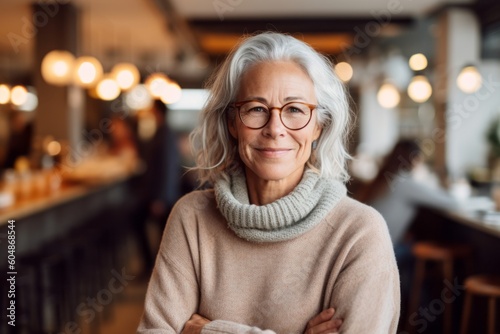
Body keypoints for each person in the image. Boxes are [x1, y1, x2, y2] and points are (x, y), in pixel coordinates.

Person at [137, 32, 400, 334]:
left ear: (319, 126)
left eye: (295, 110)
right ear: (232, 123)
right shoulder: (191, 217)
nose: (275, 129)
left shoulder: (359, 232)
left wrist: (206, 330)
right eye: (256, 109)